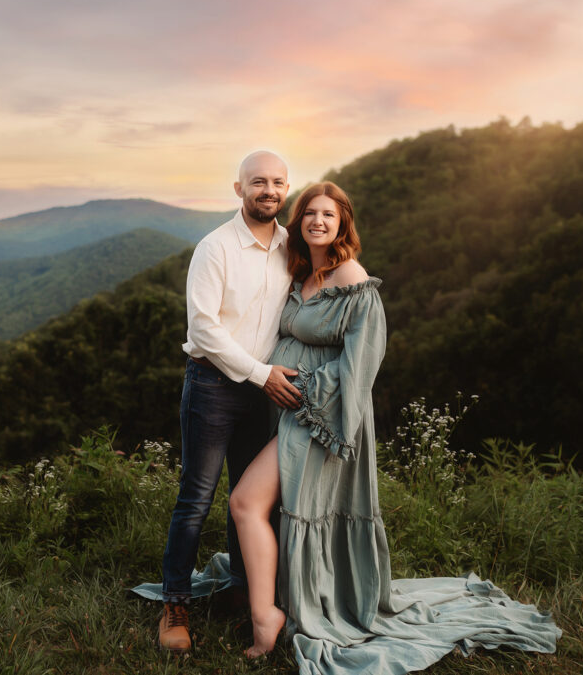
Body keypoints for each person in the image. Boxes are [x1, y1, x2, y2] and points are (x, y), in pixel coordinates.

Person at [229, 181, 561, 672]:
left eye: (329, 215)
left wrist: (310, 398)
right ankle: (287, 602)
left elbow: (363, 363)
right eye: (310, 214)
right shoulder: (302, 274)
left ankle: (267, 620)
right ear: (298, 223)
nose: (318, 221)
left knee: (245, 501)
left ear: (343, 223)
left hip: (325, 417)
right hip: (294, 413)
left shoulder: (351, 276)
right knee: (270, 506)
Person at [155, 150, 302, 653]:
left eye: (278, 182)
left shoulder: (291, 246)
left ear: (287, 190)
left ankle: (245, 591)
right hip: (214, 386)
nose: (269, 190)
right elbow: (203, 328)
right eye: (258, 182)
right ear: (238, 189)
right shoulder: (214, 248)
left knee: (249, 500)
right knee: (196, 499)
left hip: (262, 393)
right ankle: (175, 601)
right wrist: (262, 375)